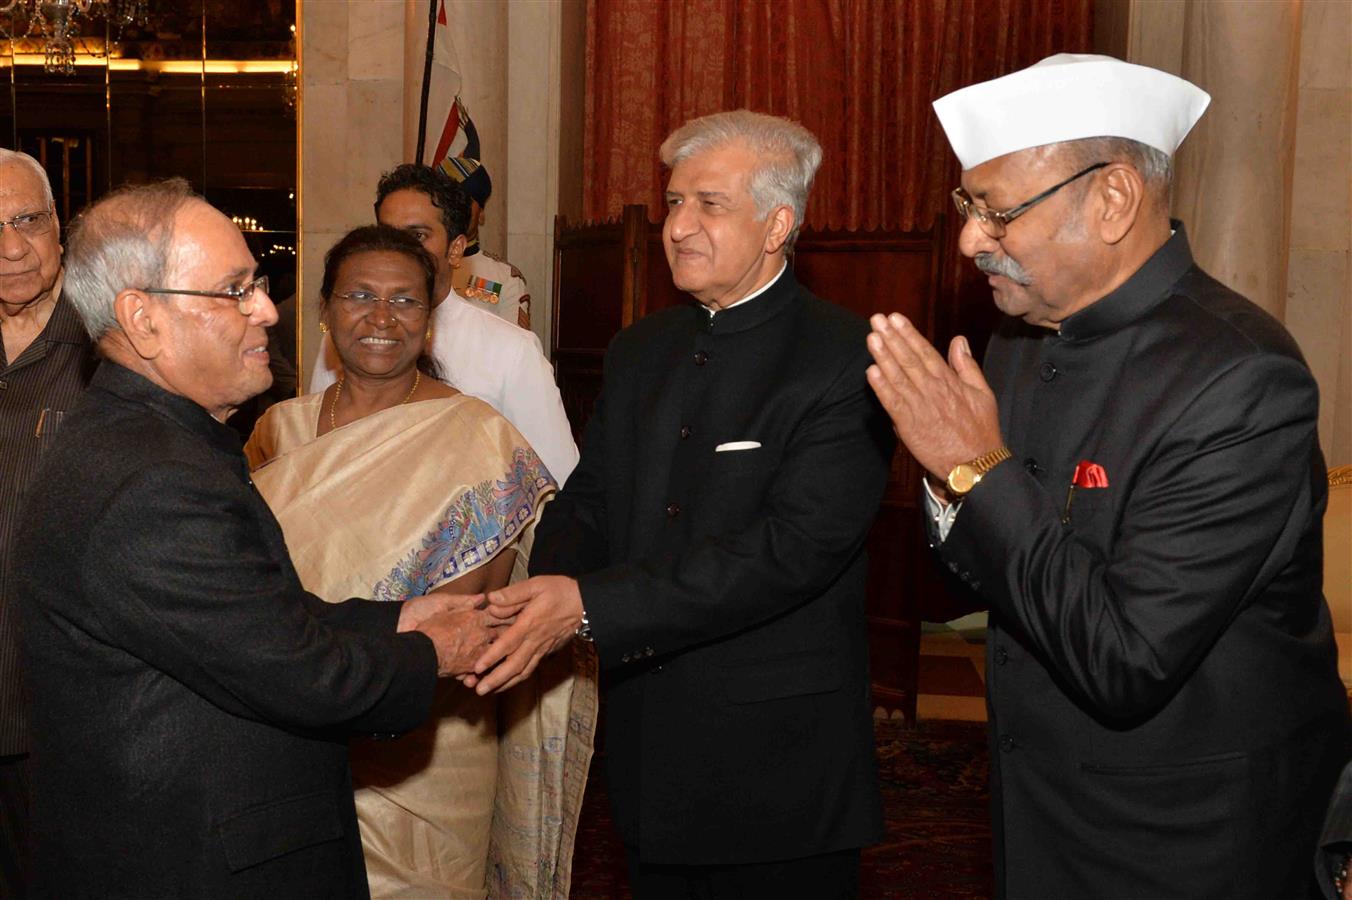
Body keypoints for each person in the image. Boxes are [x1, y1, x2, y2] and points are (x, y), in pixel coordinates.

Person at [865, 54, 1351, 898]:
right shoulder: (1020, 336)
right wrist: (955, 489)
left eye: (998, 211)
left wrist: (971, 466)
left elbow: (1125, 658)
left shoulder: (1241, 377)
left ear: (1113, 199)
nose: (973, 239)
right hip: (1039, 804)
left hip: (1186, 835)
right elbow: (988, 571)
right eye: (967, 206)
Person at [13, 179, 496, 897]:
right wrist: (435, 650)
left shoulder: (148, 438)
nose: (268, 310)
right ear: (143, 320)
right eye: (233, 291)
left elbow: (251, 618)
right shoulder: (152, 478)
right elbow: (299, 672)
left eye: (257, 284)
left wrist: (397, 617)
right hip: (194, 858)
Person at [470, 110, 896, 898]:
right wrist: (536, 595)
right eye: (673, 202)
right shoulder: (641, 349)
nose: (677, 226)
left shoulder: (849, 360)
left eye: (708, 204)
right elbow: (592, 497)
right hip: (649, 748)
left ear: (778, 226)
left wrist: (585, 605)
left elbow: (790, 553)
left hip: (779, 764)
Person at [246, 225, 594, 897]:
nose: (381, 317)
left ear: (429, 323)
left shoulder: (480, 439)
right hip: (291, 730)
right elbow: (245, 585)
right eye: (359, 296)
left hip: (427, 742)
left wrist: (326, 659)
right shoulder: (278, 431)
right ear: (324, 310)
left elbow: (465, 620)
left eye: (405, 301)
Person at [309, 164, 578, 484]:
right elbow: (314, 451)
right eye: (387, 233)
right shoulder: (349, 339)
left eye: (417, 236)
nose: (398, 251)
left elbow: (557, 479)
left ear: (455, 249)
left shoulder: (510, 351)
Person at [0, 149, 97, 896]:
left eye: (25, 220)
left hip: (66, 713)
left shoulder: (114, 342)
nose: (9, 248)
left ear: (59, 230)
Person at [440, 156, 531, 329]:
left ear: (481, 213)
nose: (457, 210)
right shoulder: (419, 266)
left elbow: (512, 346)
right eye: (449, 202)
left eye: (466, 202)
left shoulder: (505, 278)